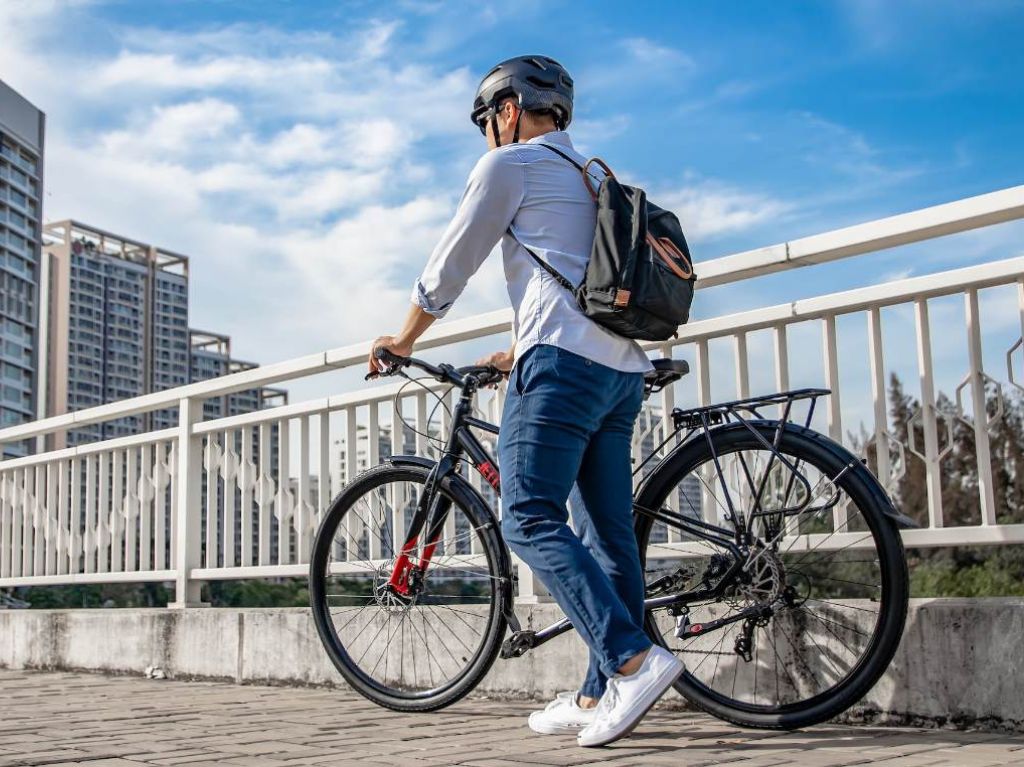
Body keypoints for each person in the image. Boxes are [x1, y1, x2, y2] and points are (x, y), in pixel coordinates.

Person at [368, 55, 684, 747]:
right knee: (605, 532)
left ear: (508, 110)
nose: (486, 134)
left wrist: (403, 336)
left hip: (564, 368)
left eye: (487, 120)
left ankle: (633, 660)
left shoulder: (508, 166)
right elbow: (575, 273)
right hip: (618, 370)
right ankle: (601, 686)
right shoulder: (588, 173)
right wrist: (516, 348)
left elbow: (450, 263)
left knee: (527, 517)